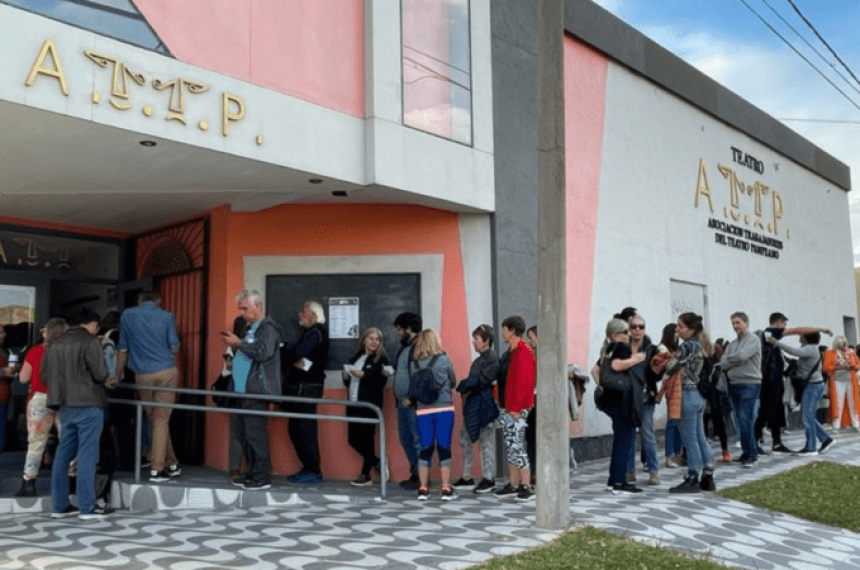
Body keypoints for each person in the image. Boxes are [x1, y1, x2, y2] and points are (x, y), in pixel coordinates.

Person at [43, 311, 114, 519]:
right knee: (87, 454)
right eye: (97, 327)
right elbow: (100, 374)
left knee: (63, 454)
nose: (97, 330)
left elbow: (44, 375)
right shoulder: (89, 341)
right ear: (92, 324)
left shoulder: (55, 343)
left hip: (65, 405)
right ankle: (87, 506)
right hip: (88, 403)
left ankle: (59, 505)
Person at [113, 291, 181, 483]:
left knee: (154, 419)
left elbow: (123, 349)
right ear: (158, 302)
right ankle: (156, 469)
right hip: (166, 371)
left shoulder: (127, 315)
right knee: (161, 419)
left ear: (140, 301)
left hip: (142, 374)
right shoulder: (167, 316)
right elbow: (174, 346)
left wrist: (117, 375)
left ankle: (172, 463)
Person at [222, 290, 284, 490]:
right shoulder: (250, 328)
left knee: (255, 435)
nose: (241, 313)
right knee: (244, 435)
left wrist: (238, 343)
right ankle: (251, 473)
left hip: (255, 391)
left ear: (257, 306)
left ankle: (262, 476)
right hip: (242, 390)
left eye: (245, 308)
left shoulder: (268, 328)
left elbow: (262, 352)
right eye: (240, 309)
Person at [754, 312, 831, 455]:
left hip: (776, 378)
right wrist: (821, 329)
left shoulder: (774, 337)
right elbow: (798, 330)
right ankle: (755, 441)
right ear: (778, 322)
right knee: (767, 410)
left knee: (777, 411)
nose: (785, 327)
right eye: (784, 323)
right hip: (769, 379)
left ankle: (777, 444)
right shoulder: (770, 332)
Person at [15, 318, 68, 496]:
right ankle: (71, 479)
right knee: (68, 440)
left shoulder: (36, 351)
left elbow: (23, 378)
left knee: (36, 443)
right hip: (64, 399)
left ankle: (29, 482)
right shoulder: (68, 351)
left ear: (47, 333)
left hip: (40, 398)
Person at [594, 318, 643, 495]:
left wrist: (604, 386)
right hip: (623, 401)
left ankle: (613, 480)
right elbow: (616, 365)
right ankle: (619, 483)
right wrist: (637, 358)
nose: (629, 334)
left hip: (610, 400)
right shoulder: (620, 347)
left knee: (619, 441)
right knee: (625, 442)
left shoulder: (605, 349)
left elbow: (595, 371)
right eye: (625, 331)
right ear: (615, 335)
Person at [667, 313, 715, 494]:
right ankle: (708, 475)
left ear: (691, 329)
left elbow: (671, 366)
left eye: (680, 326)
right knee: (700, 435)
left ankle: (692, 477)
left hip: (686, 393)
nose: (677, 329)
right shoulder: (701, 345)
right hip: (698, 395)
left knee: (690, 439)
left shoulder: (686, 346)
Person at [408, 329, 457, 500]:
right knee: (444, 448)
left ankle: (423, 488)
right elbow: (453, 381)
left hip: (423, 411)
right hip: (444, 410)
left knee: (425, 449)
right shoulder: (443, 359)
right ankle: (445, 488)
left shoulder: (414, 364)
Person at [493, 315, 538, 503]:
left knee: (517, 445)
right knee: (510, 444)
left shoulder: (523, 351)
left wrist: (517, 407)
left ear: (511, 330)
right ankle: (512, 484)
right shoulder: (511, 351)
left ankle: (526, 485)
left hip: (516, 408)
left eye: (504, 329)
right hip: (508, 405)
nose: (502, 333)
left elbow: (524, 381)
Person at [283, 300, 328, 485]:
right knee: (295, 428)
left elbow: (298, 352)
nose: (300, 315)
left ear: (314, 316)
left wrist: (288, 352)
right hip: (301, 388)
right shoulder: (308, 333)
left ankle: (313, 470)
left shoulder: (316, 332)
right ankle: (308, 468)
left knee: (305, 429)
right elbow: (293, 354)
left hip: (307, 389)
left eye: (304, 311)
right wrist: (291, 354)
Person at [769, 332, 834, 455]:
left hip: (812, 386)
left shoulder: (810, 348)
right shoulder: (809, 348)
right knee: (808, 416)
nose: (799, 335)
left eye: (802, 334)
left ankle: (811, 448)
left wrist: (776, 343)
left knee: (807, 417)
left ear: (807, 337)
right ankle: (826, 439)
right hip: (813, 385)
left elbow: (794, 351)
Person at [453, 324, 500, 494]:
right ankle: (467, 476)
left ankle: (489, 478)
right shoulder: (480, 360)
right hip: (473, 406)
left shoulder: (492, 358)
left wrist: (464, 385)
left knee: (486, 442)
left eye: (477, 339)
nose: (473, 342)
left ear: (486, 341)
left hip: (485, 406)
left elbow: (482, 380)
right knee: (465, 439)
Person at [342, 327, 392, 486]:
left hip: (370, 405)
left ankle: (365, 475)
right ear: (364, 340)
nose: (373, 342)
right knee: (353, 440)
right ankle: (377, 461)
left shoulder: (382, 360)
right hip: (353, 403)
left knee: (367, 439)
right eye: (370, 338)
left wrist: (364, 375)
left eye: (377, 339)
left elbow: (381, 381)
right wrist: (345, 377)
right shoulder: (356, 357)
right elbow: (349, 381)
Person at [720, 312, 761, 468]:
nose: (735, 326)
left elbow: (744, 356)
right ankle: (746, 452)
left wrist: (732, 360)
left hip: (749, 383)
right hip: (734, 384)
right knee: (739, 420)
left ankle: (752, 454)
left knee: (745, 419)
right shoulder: (733, 343)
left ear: (746, 322)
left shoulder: (754, 340)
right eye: (733, 323)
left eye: (737, 322)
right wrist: (733, 361)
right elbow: (723, 363)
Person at [626, 314, 659, 485]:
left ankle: (654, 471)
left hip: (646, 398)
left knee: (647, 435)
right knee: (629, 435)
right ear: (629, 329)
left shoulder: (651, 349)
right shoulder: (622, 348)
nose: (637, 330)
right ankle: (629, 471)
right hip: (628, 398)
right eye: (634, 327)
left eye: (641, 327)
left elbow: (658, 373)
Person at [391, 312, 423, 490]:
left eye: (399, 329)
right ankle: (415, 472)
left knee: (417, 440)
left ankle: (421, 477)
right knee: (406, 439)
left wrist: (412, 397)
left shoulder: (420, 347)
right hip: (402, 402)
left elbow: (423, 375)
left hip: (413, 403)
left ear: (408, 329)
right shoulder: (405, 348)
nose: (398, 333)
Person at [654, 324, 683, 468]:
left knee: (678, 423)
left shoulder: (675, 350)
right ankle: (669, 456)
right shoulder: (662, 349)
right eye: (676, 332)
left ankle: (677, 455)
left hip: (680, 389)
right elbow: (664, 367)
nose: (678, 335)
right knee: (672, 423)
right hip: (672, 390)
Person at [702, 339, 733, 463]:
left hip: (715, 397)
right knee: (706, 424)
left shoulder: (716, 363)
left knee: (719, 425)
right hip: (708, 396)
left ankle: (725, 450)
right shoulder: (704, 361)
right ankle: (719, 451)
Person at [824, 336, 860, 431]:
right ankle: (836, 425)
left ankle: (855, 423)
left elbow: (858, 365)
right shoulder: (830, 352)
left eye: (844, 344)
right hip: (837, 379)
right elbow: (826, 367)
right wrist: (837, 367)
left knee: (853, 402)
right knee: (838, 403)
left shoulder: (851, 353)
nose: (843, 347)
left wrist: (851, 365)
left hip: (851, 379)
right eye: (841, 345)